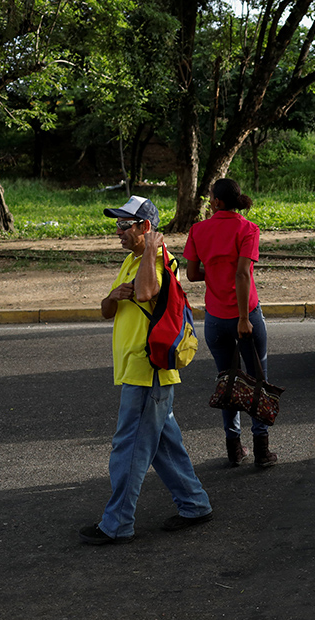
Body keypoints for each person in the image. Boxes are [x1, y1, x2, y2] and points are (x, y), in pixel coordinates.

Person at [79, 196, 212, 545]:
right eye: (117, 225)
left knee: (130, 448)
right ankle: (195, 504)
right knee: (164, 446)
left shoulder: (161, 260)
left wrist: (152, 252)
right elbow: (108, 309)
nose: (118, 232)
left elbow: (146, 293)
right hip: (137, 371)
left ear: (146, 228)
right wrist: (113, 296)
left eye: (126, 225)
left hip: (147, 371)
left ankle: (117, 523)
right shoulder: (131, 261)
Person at [184, 178, 277, 468]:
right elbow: (242, 275)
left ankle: (234, 448)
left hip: (215, 319)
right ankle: (262, 451)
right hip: (245, 316)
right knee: (256, 377)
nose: (209, 200)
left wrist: (214, 274)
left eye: (210, 196)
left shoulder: (198, 230)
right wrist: (243, 318)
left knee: (228, 380)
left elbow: (191, 274)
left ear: (217, 202)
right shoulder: (248, 229)